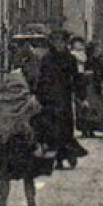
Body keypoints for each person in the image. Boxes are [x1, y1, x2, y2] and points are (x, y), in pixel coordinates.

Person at [0, 70, 50, 206]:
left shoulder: (1, 105)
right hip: (25, 145)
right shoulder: (31, 103)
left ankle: (1, 204)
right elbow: (41, 122)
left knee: (5, 177)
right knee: (28, 176)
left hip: (6, 145)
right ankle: (31, 204)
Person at [32, 28, 88, 170]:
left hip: (64, 98)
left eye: (61, 41)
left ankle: (67, 155)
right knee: (50, 130)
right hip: (48, 99)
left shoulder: (70, 59)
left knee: (64, 129)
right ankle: (55, 159)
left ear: (65, 43)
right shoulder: (47, 59)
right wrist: (37, 96)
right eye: (55, 41)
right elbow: (41, 79)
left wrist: (82, 97)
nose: (58, 44)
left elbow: (77, 79)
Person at [74, 39, 103, 138]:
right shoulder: (86, 60)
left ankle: (92, 128)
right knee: (86, 109)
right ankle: (86, 129)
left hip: (95, 87)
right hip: (86, 87)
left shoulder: (97, 60)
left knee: (95, 109)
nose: (99, 51)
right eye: (97, 49)